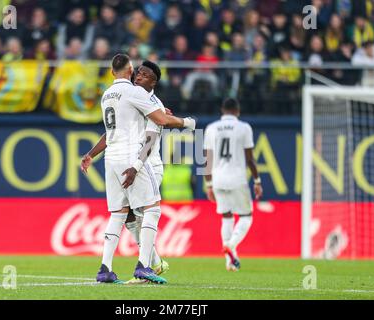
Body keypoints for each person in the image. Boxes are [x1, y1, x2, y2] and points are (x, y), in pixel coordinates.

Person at [83, 53, 195, 284]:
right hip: (132, 158)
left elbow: (151, 135)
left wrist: (92, 155)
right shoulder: (136, 94)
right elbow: (161, 122)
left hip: (137, 161)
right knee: (142, 213)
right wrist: (186, 122)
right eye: (138, 72)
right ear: (131, 70)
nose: (140, 76)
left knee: (126, 214)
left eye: (145, 74)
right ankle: (147, 264)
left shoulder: (109, 95)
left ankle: (115, 267)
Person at [203, 98, 262, 271]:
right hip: (237, 178)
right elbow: (250, 159)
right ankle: (231, 244)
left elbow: (207, 160)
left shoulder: (211, 128)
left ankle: (230, 262)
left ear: (222, 110)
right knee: (246, 216)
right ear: (238, 111)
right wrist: (257, 181)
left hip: (218, 178)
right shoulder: (244, 128)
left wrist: (208, 185)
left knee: (227, 216)